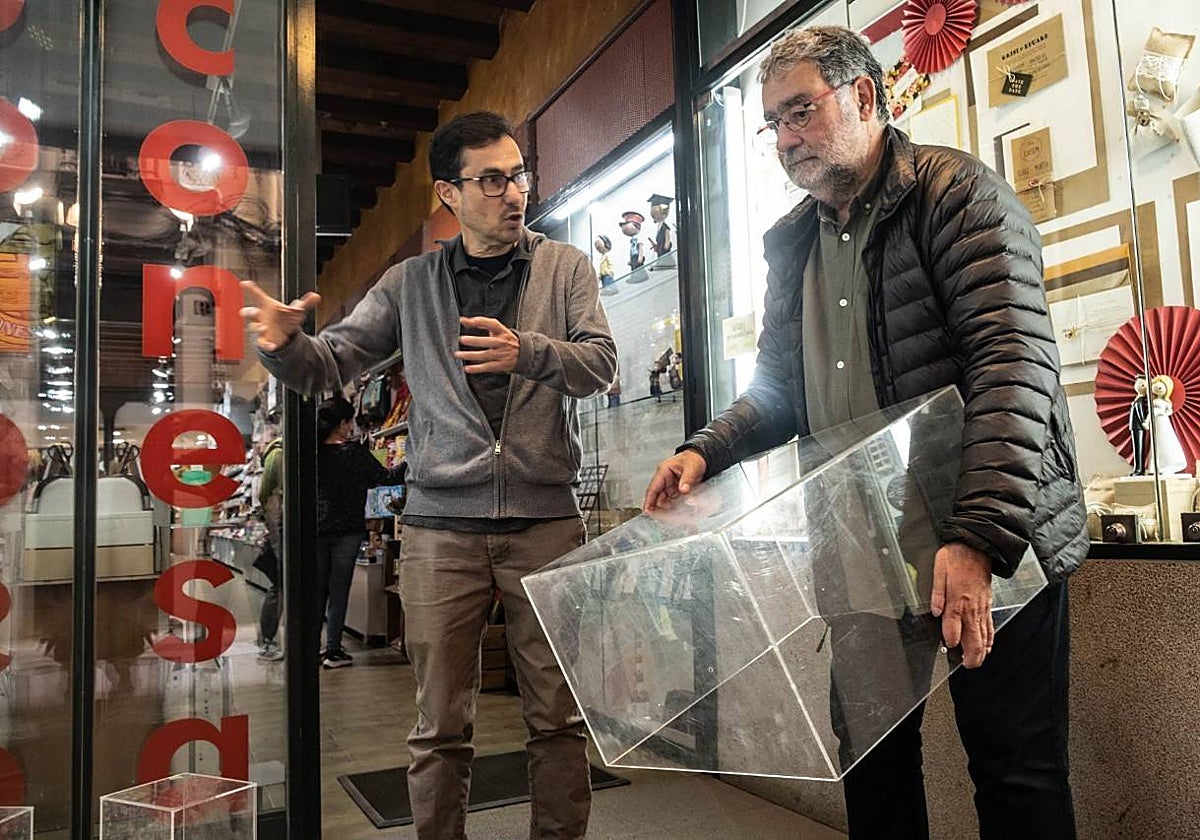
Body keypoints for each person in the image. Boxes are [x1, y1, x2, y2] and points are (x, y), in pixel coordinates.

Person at [643, 26, 1088, 840]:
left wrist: (976, 537)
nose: (785, 139)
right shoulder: (792, 244)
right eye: (773, 123)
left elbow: (1014, 366)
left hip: (986, 545)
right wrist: (706, 448)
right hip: (861, 554)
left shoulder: (960, 196)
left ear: (863, 96)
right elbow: (778, 389)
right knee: (873, 770)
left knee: (1015, 771)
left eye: (800, 112)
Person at [240, 111, 616, 840]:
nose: (514, 193)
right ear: (450, 193)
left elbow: (601, 364)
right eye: (492, 180)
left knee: (559, 719)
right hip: (441, 530)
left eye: (519, 176)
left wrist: (528, 352)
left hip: (546, 524)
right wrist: (284, 346)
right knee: (440, 725)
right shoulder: (410, 283)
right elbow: (330, 364)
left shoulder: (565, 267)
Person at [315, 395, 405, 669]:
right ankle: (333, 650)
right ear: (343, 423)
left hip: (317, 529)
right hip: (348, 529)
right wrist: (411, 461)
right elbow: (386, 478)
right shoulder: (354, 453)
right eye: (350, 422)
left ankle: (310, 649)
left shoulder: (311, 453)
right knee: (338, 590)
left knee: (317, 591)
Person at [255, 432, 284, 661]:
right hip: (282, 528)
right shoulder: (278, 454)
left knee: (281, 585)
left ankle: (270, 637)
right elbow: (266, 494)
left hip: (280, 526)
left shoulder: (277, 454)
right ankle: (268, 638)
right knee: (280, 584)